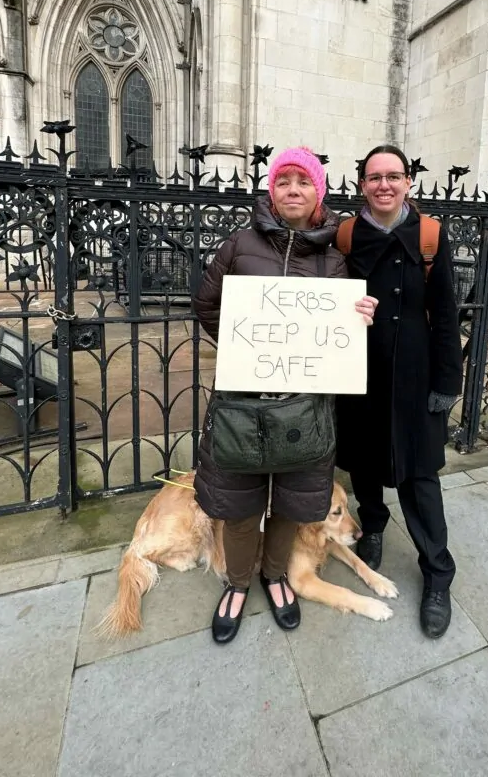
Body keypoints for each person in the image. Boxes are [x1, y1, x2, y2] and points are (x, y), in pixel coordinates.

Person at [193, 147, 377, 645]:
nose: (293, 189)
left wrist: (358, 314)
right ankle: (236, 584)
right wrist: (245, 344)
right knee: (241, 501)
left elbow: (342, 325)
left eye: (303, 181)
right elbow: (207, 303)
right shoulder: (240, 243)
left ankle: (275, 577)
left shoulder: (334, 258)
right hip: (243, 400)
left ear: (318, 191)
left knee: (291, 502)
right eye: (283, 180)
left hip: (305, 406)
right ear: (271, 189)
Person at [335, 145, 463, 638]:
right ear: (362, 184)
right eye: (374, 177)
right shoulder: (346, 234)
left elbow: (448, 312)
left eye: (393, 176)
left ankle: (437, 574)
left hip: (415, 375)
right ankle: (372, 526)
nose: (383, 185)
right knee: (365, 462)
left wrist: (447, 383)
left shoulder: (429, 235)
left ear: (408, 181)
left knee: (420, 478)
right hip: (360, 371)